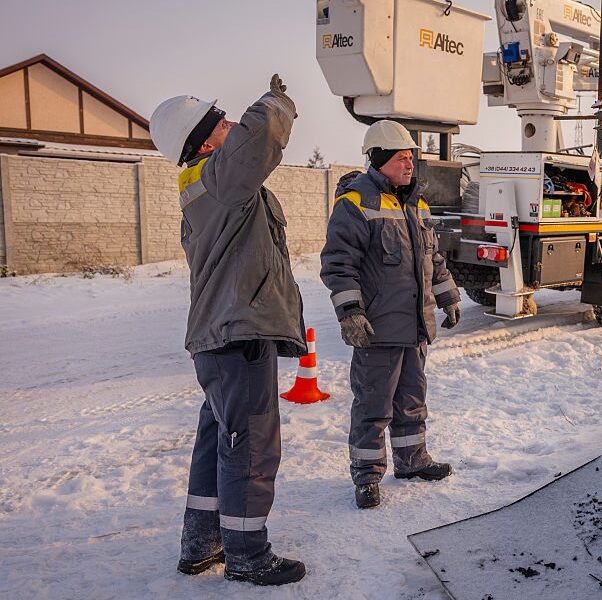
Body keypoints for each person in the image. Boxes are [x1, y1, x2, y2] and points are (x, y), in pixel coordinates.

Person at [149, 74, 306, 585]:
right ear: (205, 140)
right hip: (237, 336)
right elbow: (259, 137)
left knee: (222, 438)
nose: (232, 123)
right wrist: (276, 101)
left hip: (221, 338)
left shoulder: (207, 186)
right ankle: (247, 553)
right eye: (221, 121)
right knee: (252, 443)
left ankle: (203, 543)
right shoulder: (219, 178)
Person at [321, 120, 461, 509]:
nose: (409, 165)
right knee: (373, 406)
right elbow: (337, 263)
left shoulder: (417, 202)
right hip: (378, 330)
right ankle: (366, 476)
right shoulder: (355, 202)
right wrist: (350, 312)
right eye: (401, 158)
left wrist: (447, 296)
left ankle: (412, 461)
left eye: (411, 158)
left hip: (415, 326)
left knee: (412, 400)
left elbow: (433, 256)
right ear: (380, 160)